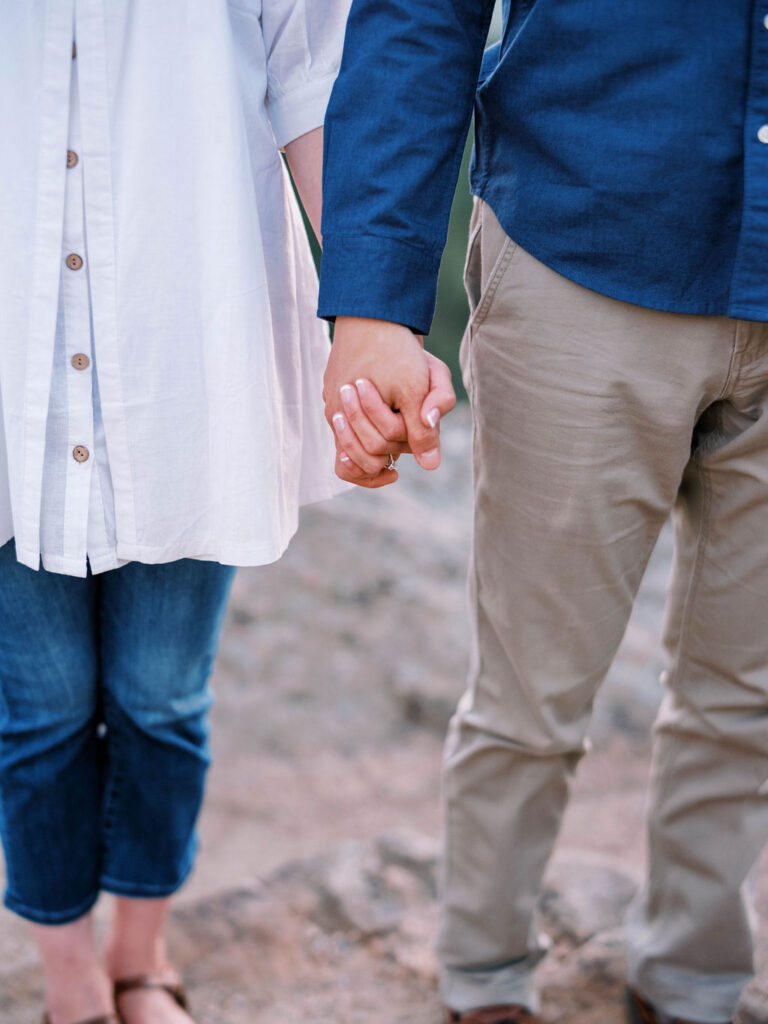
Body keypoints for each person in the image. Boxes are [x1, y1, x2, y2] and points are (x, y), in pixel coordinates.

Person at [317, 3, 768, 1023]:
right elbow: (420, 18)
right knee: (532, 689)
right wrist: (375, 305)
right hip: (584, 245)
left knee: (751, 692)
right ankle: (483, 982)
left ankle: (694, 986)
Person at [0, 3, 352, 1023]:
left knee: (161, 697)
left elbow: (315, 82)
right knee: (42, 707)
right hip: (13, 361)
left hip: (193, 342)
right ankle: (69, 979)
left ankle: (140, 959)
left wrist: (374, 312)